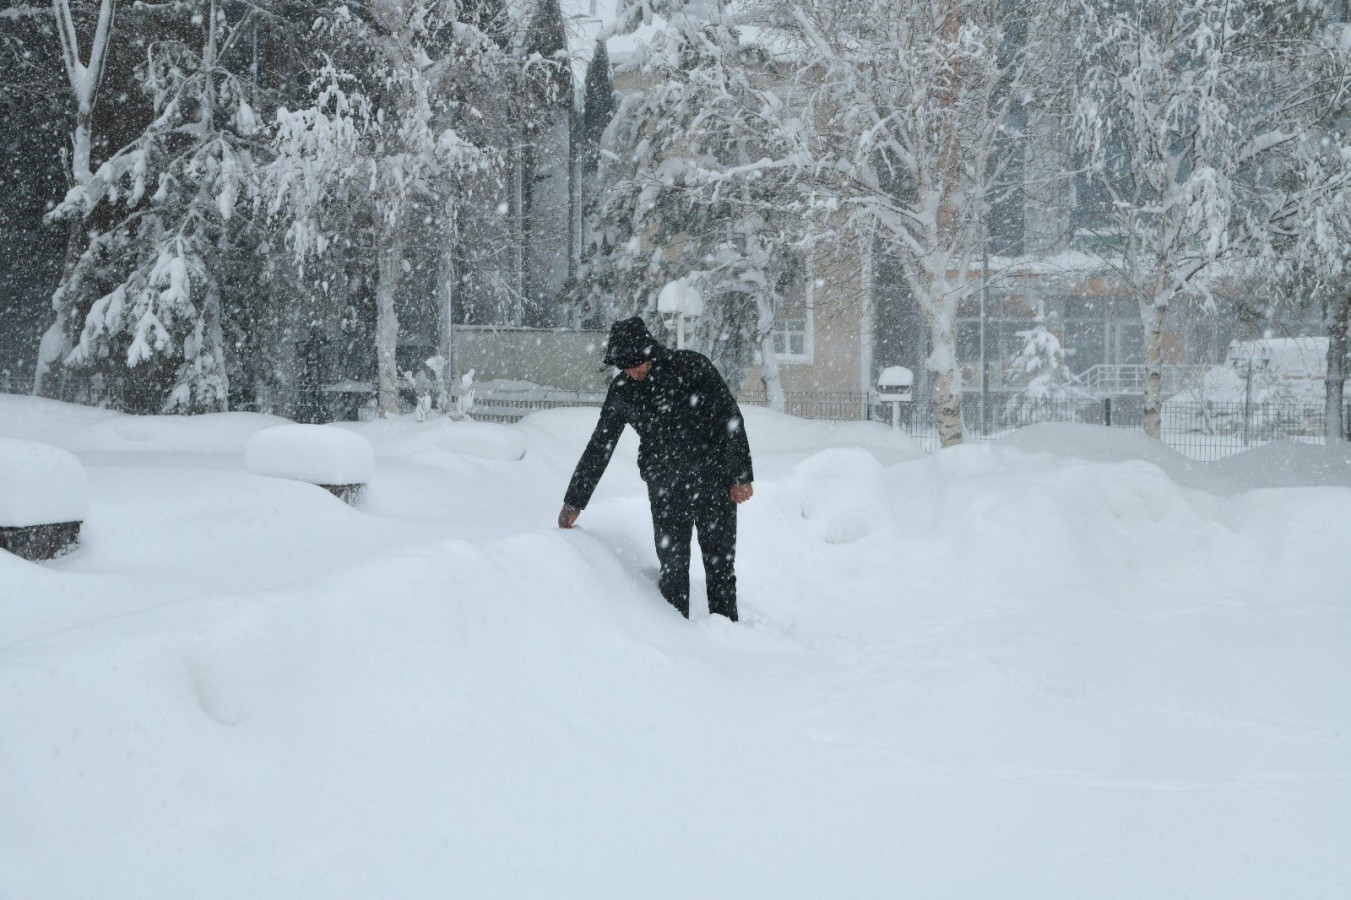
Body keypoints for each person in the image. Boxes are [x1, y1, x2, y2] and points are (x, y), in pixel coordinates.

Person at [558, 316, 754, 621]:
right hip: (666, 487)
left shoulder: (692, 367)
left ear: (651, 351)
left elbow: (730, 419)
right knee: (673, 568)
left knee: (719, 564)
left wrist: (740, 475)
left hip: (714, 480)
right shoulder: (623, 389)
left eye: (637, 363)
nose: (632, 371)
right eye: (624, 365)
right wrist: (575, 500)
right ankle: (674, 640)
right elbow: (600, 445)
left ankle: (727, 633)